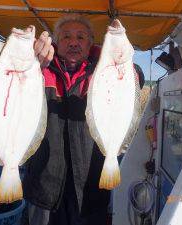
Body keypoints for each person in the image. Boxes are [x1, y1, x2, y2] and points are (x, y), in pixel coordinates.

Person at [22, 14, 144, 225]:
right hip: (43, 189)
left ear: (90, 43)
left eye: (81, 37)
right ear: (55, 42)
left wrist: (110, 53)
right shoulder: (39, 72)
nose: (73, 42)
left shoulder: (103, 72)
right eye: (66, 36)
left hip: (90, 192)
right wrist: (29, 62)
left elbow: (137, 78)